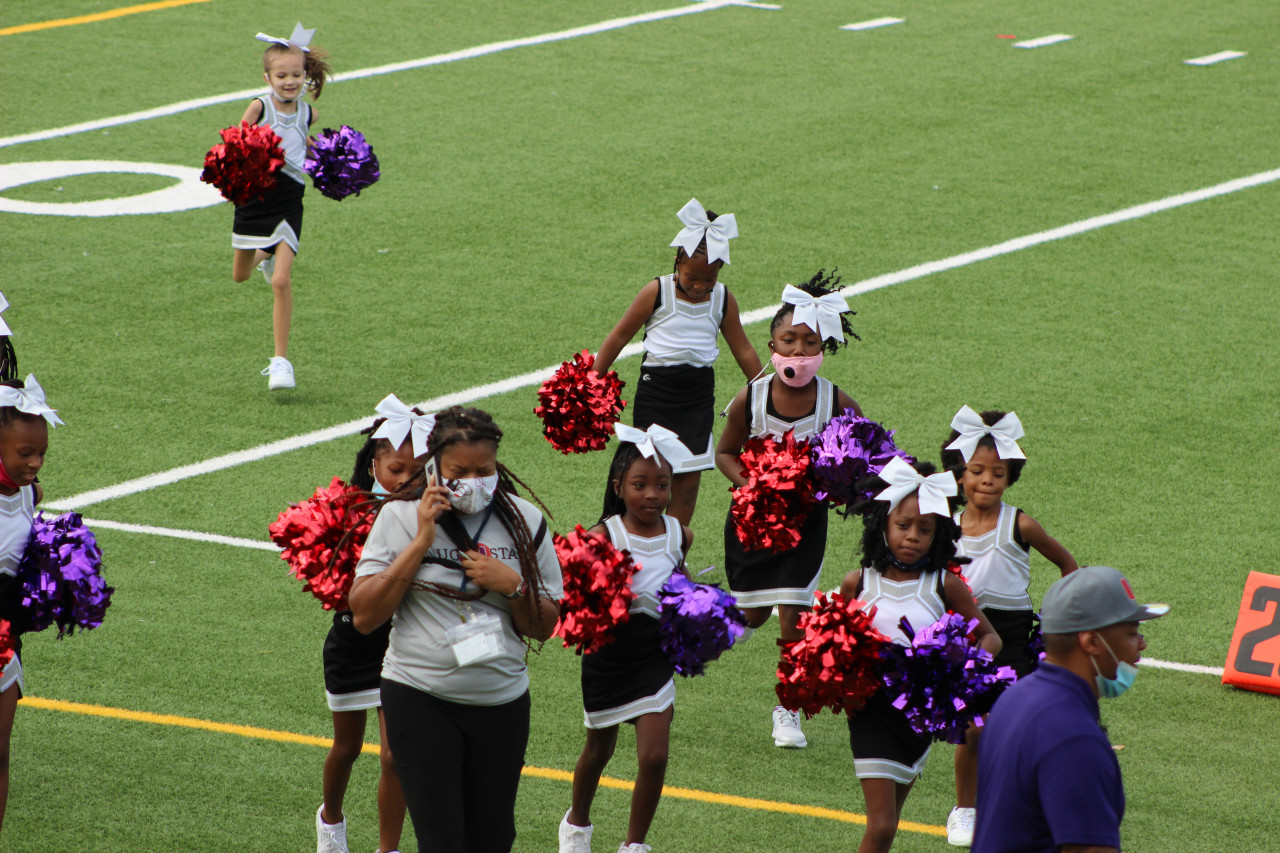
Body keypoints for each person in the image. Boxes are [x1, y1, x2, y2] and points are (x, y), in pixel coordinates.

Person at [348, 406, 562, 853]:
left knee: (493, 839)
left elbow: (543, 627)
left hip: (500, 702)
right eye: (457, 471)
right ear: (434, 468)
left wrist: (513, 586)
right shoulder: (399, 518)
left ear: (497, 465)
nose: (471, 479)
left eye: (483, 470)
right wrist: (421, 541)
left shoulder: (527, 522)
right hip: (419, 694)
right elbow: (366, 616)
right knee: (442, 840)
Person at [716, 271, 860, 748]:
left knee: (793, 617)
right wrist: (754, 487)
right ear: (772, 344)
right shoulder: (752, 397)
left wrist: (845, 484)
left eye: (807, 343)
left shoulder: (835, 401)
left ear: (824, 348)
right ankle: (712, 624)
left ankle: (787, 710)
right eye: (787, 341)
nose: (796, 353)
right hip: (753, 524)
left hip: (805, 526)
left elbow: (864, 455)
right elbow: (725, 454)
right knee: (753, 616)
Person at [839, 457, 1000, 853]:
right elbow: (831, 637)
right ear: (883, 525)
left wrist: (967, 668)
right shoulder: (859, 582)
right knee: (881, 824)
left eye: (924, 529)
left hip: (919, 717)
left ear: (938, 534)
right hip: (871, 711)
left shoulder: (944, 585)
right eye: (903, 526)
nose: (912, 537)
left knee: (889, 826)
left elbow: (991, 637)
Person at [938, 405, 1078, 847]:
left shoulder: (1020, 524)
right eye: (977, 471)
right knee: (974, 728)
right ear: (959, 474)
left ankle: (1027, 802)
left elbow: (1066, 563)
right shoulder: (946, 528)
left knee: (1024, 725)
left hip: (1015, 635)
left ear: (1010, 478)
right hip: (968, 637)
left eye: (997, 474)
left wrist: (1063, 614)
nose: (986, 481)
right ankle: (964, 808)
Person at [559, 424, 694, 853]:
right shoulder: (604, 536)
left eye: (662, 485)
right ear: (619, 487)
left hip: (653, 656)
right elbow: (571, 592)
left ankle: (634, 845)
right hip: (609, 655)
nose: (652, 495)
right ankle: (577, 825)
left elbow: (680, 583)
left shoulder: (680, 534)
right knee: (598, 752)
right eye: (640, 485)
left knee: (654, 756)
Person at [972, 565, 1168, 853]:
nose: (1142, 644)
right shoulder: (1073, 737)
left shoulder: (1013, 700)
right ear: (1091, 641)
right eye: (1131, 633)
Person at [592, 198, 762, 525]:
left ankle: (675, 547)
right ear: (677, 260)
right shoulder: (656, 291)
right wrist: (594, 378)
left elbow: (743, 349)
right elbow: (619, 336)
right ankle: (619, 535)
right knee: (641, 467)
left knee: (688, 475)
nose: (699, 287)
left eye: (708, 281)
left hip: (698, 396)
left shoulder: (724, 300)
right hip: (656, 392)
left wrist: (764, 388)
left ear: (719, 272)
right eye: (691, 277)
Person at [314, 397, 428, 853]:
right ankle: (331, 822)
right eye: (395, 468)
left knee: (395, 757)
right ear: (374, 462)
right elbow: (330, 586)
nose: (405, 480)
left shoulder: (431, 516)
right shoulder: (346, 512)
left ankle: (388, 847)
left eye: (417, 471)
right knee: (346, 749)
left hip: (403, 645)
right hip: (352, 643)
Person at [229, 22, 331, 391]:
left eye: (297, 75)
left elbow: (305, 144)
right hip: (255, 197)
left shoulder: (308, 113)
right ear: (267, 77)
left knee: (281, 280)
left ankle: (281, 362)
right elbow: (235, 142)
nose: (290, 81)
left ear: (305, 76)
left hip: (289, 198)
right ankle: (266, 249)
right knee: (240, 275)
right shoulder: (258, 107)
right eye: (282, 75)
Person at [0, 372, 62, 838]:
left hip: (4, 640)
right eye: (26, 454)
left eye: (41, 453)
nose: (36, 463)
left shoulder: (28, 493)